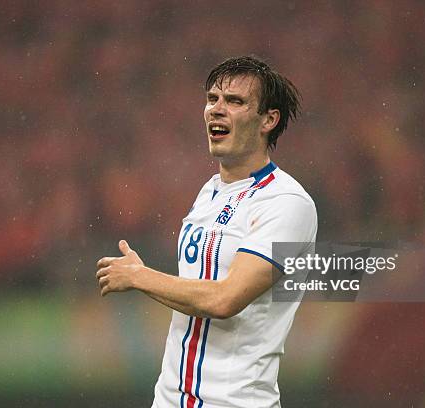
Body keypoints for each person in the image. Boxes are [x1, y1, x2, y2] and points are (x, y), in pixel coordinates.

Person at [96, 56, 317, 408]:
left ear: (268, 120)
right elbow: (194, 299)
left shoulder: (288, 203)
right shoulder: (209, 192)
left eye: (235, 101)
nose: (217, 109)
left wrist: (140, 277)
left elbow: (224, 300)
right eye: (212, 99)